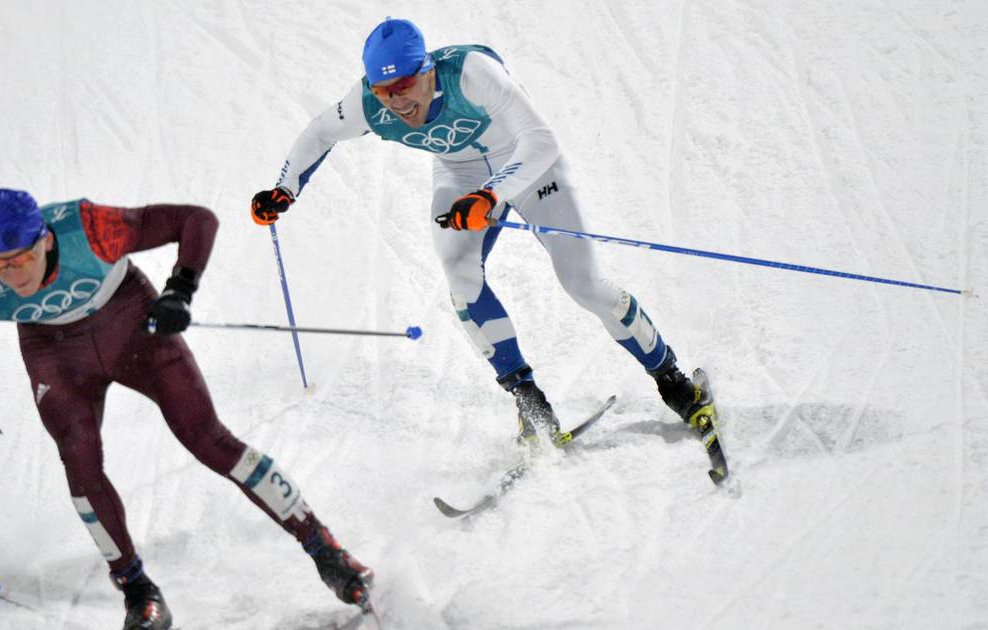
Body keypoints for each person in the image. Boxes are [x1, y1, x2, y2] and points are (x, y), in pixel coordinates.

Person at [251, 19, 716, 445]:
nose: (397, 100)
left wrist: (491, 196)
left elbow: (540, 139)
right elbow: (318, 132)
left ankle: (673, 381)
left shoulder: (471, 73)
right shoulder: (369, 104)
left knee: (584, 284)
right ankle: (529, 401)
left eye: (406, 84)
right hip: (461, 175)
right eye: (384, 90)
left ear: (428, 70)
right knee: (461, 281)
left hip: (530, 166)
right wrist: (284, 190)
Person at [0, 189, 373, 630]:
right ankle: (138, 592)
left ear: (46, 240)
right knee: (80, 463)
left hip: (129, 325)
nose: (12, 275)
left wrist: (180, 289)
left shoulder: (91, 229)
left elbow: (196, 219)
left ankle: (326, 550)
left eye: (22, 259)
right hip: (55, 354)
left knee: (208, 439)